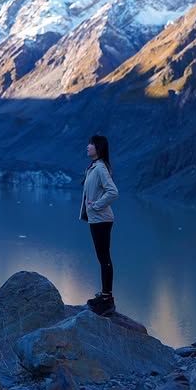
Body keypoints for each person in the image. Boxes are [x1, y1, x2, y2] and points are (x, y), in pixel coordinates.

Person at [78, 134, 119, 315]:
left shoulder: (100, 167)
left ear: (98, 148)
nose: (88, 147)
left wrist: (96, 205)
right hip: (97, 219)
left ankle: (107, 299)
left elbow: (113, 192)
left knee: (104, 259)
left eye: (91, 144)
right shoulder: (94, 167)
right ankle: (104, 295)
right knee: (103, 258)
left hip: (102, 219)